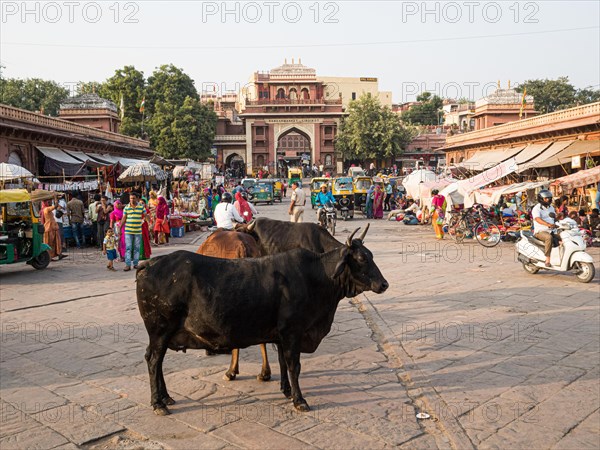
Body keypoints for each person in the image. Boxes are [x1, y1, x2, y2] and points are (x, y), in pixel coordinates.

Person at [120, 192, 146, 272]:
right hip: (128, 231)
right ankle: (128, 265)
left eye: (133, 198)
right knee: (128, 248)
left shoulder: (141, 207)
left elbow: (146, 215)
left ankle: (135, 264)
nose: (132, 200)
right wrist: (120, 228)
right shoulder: (126, 207)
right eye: (131, 198)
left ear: (137, 198)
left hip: (138, 231)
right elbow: (124, 218)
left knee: (136, 248)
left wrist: (148, 219)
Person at [532, 189, 557, 267]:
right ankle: (547, 260)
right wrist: (547, 224)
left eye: (549, 198)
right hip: (540, 231)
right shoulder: (536, 208)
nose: (548, 200)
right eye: (546, 198)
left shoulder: (551, 208)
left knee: (564, 235)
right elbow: (537, 219)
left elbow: (554, 217)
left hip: (552, 229)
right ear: (541, 199)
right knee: (549, 238)